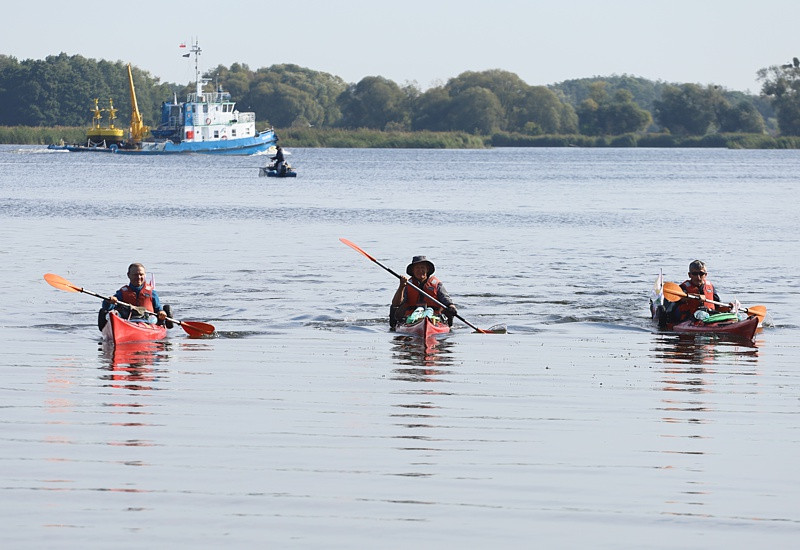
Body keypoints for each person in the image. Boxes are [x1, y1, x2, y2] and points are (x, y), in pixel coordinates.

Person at [390, 255, 458, 328]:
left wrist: (452, 307)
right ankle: (394, 326)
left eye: (422, 267)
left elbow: (446, 300)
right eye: (417, 268)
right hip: (412, 317)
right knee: (393, 307)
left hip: (434, 317)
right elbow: (396, 303)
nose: (420, 270)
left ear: (427, 269)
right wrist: (401, 286)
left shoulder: (437, 284)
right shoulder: (407, 284)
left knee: (450, 310)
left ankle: (448, 326)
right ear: (413, 270)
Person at [98, 263, 171, 331]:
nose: (139, 277)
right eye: (135, 275)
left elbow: (158, 308)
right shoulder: (122, 292)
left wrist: (161, 312)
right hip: (127, 321)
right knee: (110, 313)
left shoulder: (152, 293)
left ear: (144, 275)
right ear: (128, 275)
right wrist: (110, 301)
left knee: (155, 318)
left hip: (147, 321)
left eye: (141, 274)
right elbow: (107, 307)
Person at [669, 260, 738, 323]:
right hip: (690, 318)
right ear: (689, 275)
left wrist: (728, 308)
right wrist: (696, 296)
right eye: (695, 274)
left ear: (705, 275)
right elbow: (679, 299)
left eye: (701, 274)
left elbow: (717, 307)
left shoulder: (710, 286)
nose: (698, 277)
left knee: (737, 316)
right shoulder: (683, 287)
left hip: (710, 315)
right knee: (702, 314)